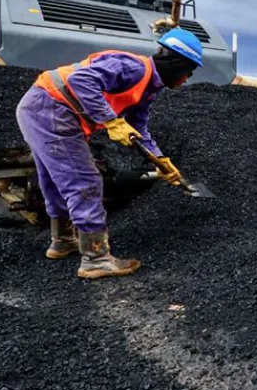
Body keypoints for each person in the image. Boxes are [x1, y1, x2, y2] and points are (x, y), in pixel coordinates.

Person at [16, 27, 204, 279]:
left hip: (41, 109)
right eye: (188, 71)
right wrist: (112, 121)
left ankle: (62, 241)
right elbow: (80, 80)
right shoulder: (134, 68)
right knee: (85, 181)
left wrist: (160, 161)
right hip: (52, 108)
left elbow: (139, 129)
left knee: (53, 179)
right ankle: (96, 259)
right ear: (176, 63)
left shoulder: (148, 89)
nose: (187, 79)